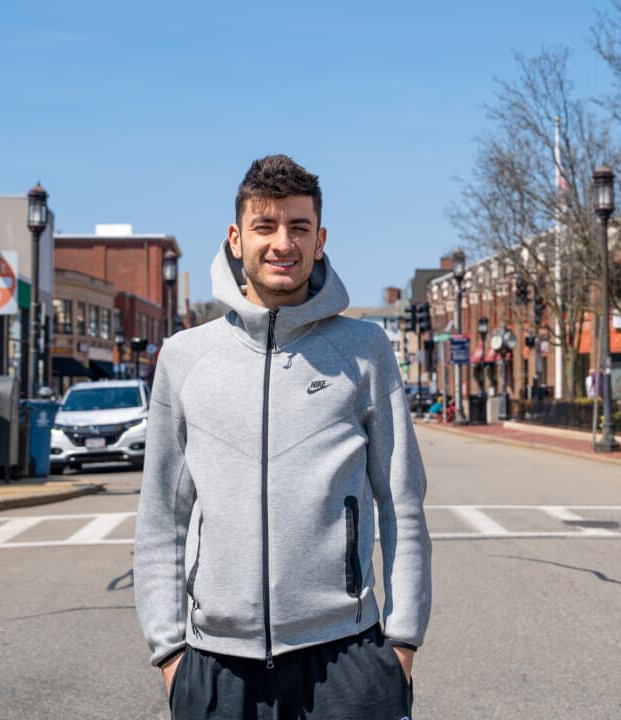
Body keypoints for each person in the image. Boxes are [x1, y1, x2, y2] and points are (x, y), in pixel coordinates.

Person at [134, 155, 432, 719]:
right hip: (214, 664)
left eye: (298, 227)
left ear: (320, 240)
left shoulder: (364, 350)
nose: (282, 243)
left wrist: (402, 644)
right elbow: (161, 518)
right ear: (235, 237)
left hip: (347, 655)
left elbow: (402, 504)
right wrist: (170, 653)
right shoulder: (184, 357)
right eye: (265, 226)